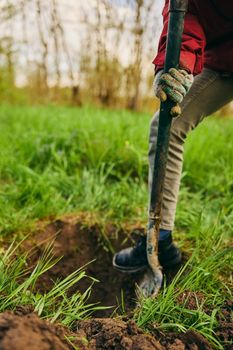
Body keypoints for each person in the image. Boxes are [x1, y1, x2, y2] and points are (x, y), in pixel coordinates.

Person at [113, 0, 233, 273]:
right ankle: (161, 238)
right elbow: (185, 15)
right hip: (224, 58)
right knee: (167, 125)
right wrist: (177, 64)